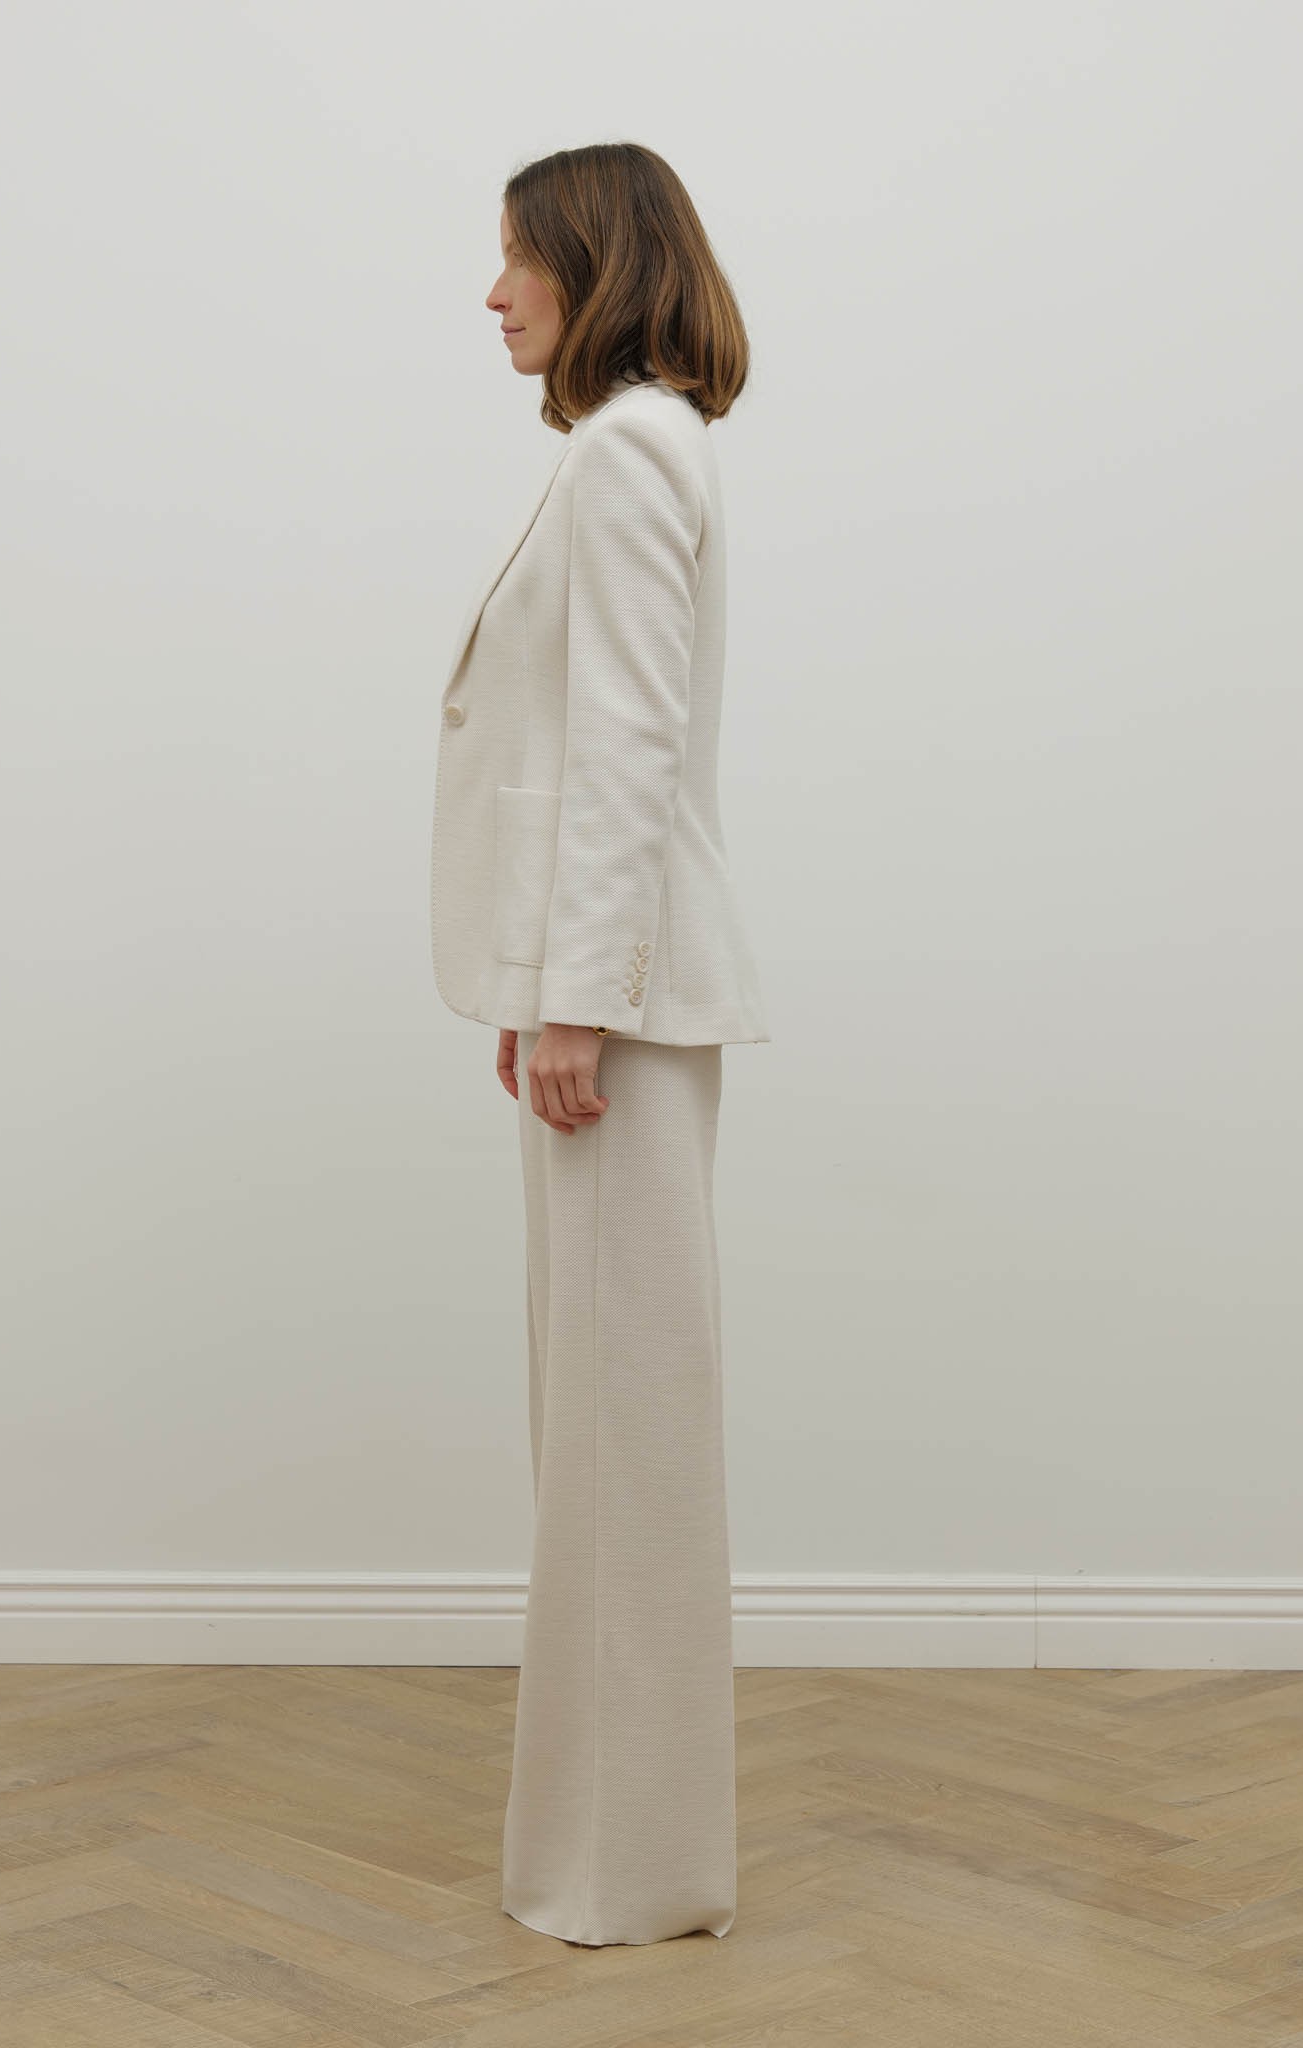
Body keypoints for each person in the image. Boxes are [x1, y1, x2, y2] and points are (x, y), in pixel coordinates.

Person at [430, 141, 770, 1947]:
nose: (492, 293)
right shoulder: (629, 444)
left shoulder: (631, 448)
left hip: (620, 1006)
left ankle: (630, 1867)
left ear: (595, 262)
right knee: (599, 1426)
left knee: (624, 1434)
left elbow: (629, 741)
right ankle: (605, 1850)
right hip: (597, 994)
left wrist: (577, 997)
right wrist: (535, 983)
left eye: (517, 258)